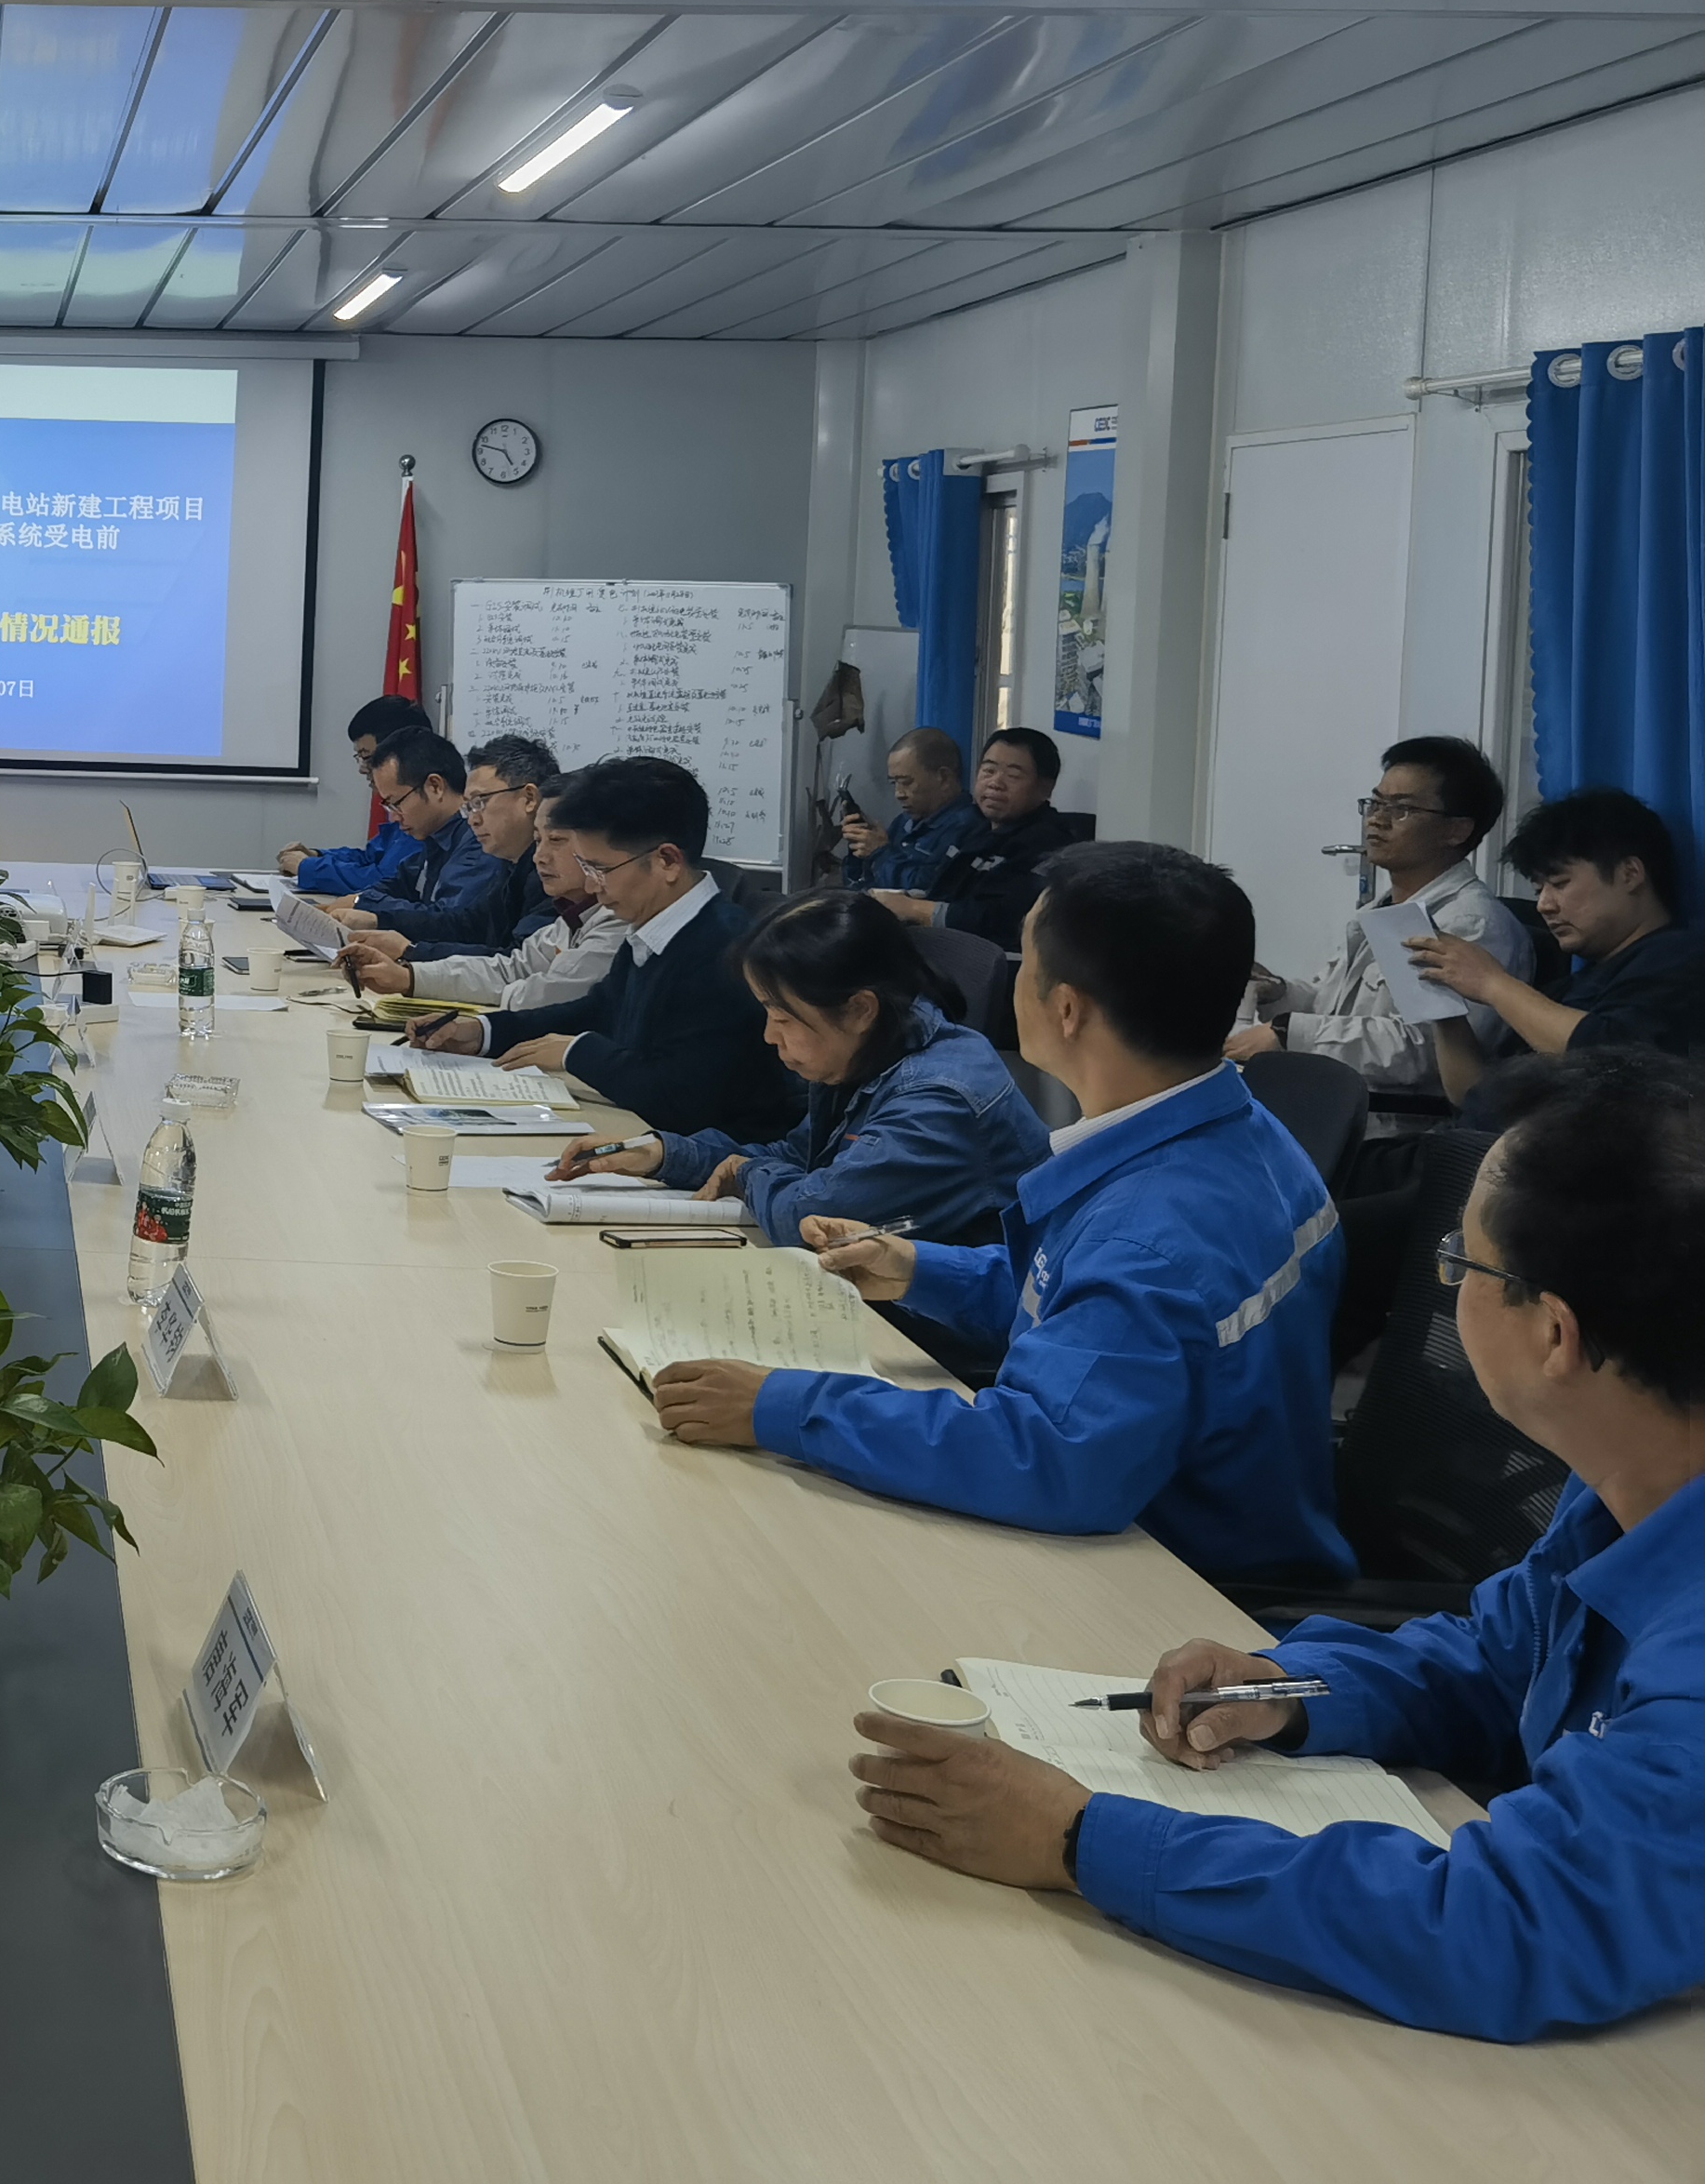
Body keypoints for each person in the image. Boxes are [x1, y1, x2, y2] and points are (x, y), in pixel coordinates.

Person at [843, 1052, 1705, 2042]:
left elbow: (1508, 1927)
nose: (1446, 1286)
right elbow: (1499, 1662)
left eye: (1461, 1266)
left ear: (1554, 1335)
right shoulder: (1632, 1479)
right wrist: (1292, 1692)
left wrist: (1079, 1839)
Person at [652, 843, 1352, 1583]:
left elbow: (1048, 1455)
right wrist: (922, 1270)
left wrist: (784, 1406)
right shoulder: (1240, 1132)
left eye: (1025, 962)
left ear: (1066, 1009)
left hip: (1174, 1579)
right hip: (1198, 1514)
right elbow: (1092, 1316)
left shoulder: (1151, 1233)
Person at [552, 890, 1045, 1249]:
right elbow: (800, 1157)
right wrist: (664, 1154)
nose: (770, 1035)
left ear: (860, 1009)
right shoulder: (869, 1049)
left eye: (783, 1017)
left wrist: (746, 1173)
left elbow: (815, 1215)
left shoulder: (939, 1099)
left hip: (938, 1342)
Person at [418, 756, 801, 1139]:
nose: (591, 886)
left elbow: (679, 1096)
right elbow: (598, 1008)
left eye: (600, 869)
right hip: (643, 1132)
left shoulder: (723, 952)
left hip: (709, 1155)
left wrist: (576, 1052)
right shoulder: (653, 929)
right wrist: (484, 1032)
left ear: (667, 861)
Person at [1228, 736, 1528, 1092]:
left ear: (1456, 830)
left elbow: (1425, 1051)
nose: (1377, 820)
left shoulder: (1468, 924)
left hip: (1400, 1118)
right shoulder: (1383, 910)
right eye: (1375, 803)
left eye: (1402, 809)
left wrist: (1288, 1032)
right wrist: (1277, 993)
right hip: (1340, 1103)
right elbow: (1329, 1005)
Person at [1412, 786, 1705, 1095]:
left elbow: (1612, 1059)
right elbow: (1473, 1095)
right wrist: (1444, 1008)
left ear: (1630, 874)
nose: (1544, 905)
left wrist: (1491, 983)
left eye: (1560, 884)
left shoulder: (1683, 959)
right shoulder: (1566, 989)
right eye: (1539, 890)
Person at [346, 773, 630, 1008]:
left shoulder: (616, 920)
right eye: (538, 840)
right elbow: (512, 966)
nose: (540, 856)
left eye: (556, 840)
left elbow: (548, 995)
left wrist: (484, 1032)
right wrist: (409, 975)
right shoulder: (569, 911)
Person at [349, 732, 555, 955]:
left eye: (480, 802)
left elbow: (519, 963)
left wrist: (410, 952)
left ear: (529, 798)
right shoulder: (512, 866)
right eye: (469, 807)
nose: (473, 820)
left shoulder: (552, 872)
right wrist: (378, 921)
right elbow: (467, 925)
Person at [875, 726, 1077, 952]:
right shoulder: (980, 830)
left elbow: (1001, 920)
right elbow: (944, 890)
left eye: (1012, 775)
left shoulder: (1048, 843)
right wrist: (903, 900)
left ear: (1045, 788)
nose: (995, 783)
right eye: (988, 770)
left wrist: (914, 908)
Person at [278, 694, 431, 896]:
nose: (362, 769)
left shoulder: (423, 812)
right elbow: (370, 858)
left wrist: (308, 868)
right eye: (359, 757)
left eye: (367, 757)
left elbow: (384, 882)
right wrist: (316, 856)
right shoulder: (405, 805)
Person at [833, 727, 976, 893]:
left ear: (943, 778)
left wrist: (880, 853)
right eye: (894, 783)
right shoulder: (904, 823)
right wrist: (860, 847)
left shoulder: (969, 829)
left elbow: (926, 891)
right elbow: (859, 884)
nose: (898, 794)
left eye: (906, 782)